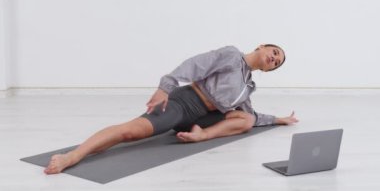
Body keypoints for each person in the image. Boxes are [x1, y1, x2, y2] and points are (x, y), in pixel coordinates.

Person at [44, 44, 299, 174]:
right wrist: (166, 87)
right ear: (262, 46)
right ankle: (73, 156)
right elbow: (195, 65)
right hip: (186, 103)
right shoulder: (231, 55)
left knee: (245, 119)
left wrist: (279, 120)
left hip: (205, 120)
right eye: (274, 52)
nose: (273, 58)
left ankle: (202, 135)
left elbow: (250, 116)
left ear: (268, 70)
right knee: (132, 132)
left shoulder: (248, 86)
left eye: (276, 63)